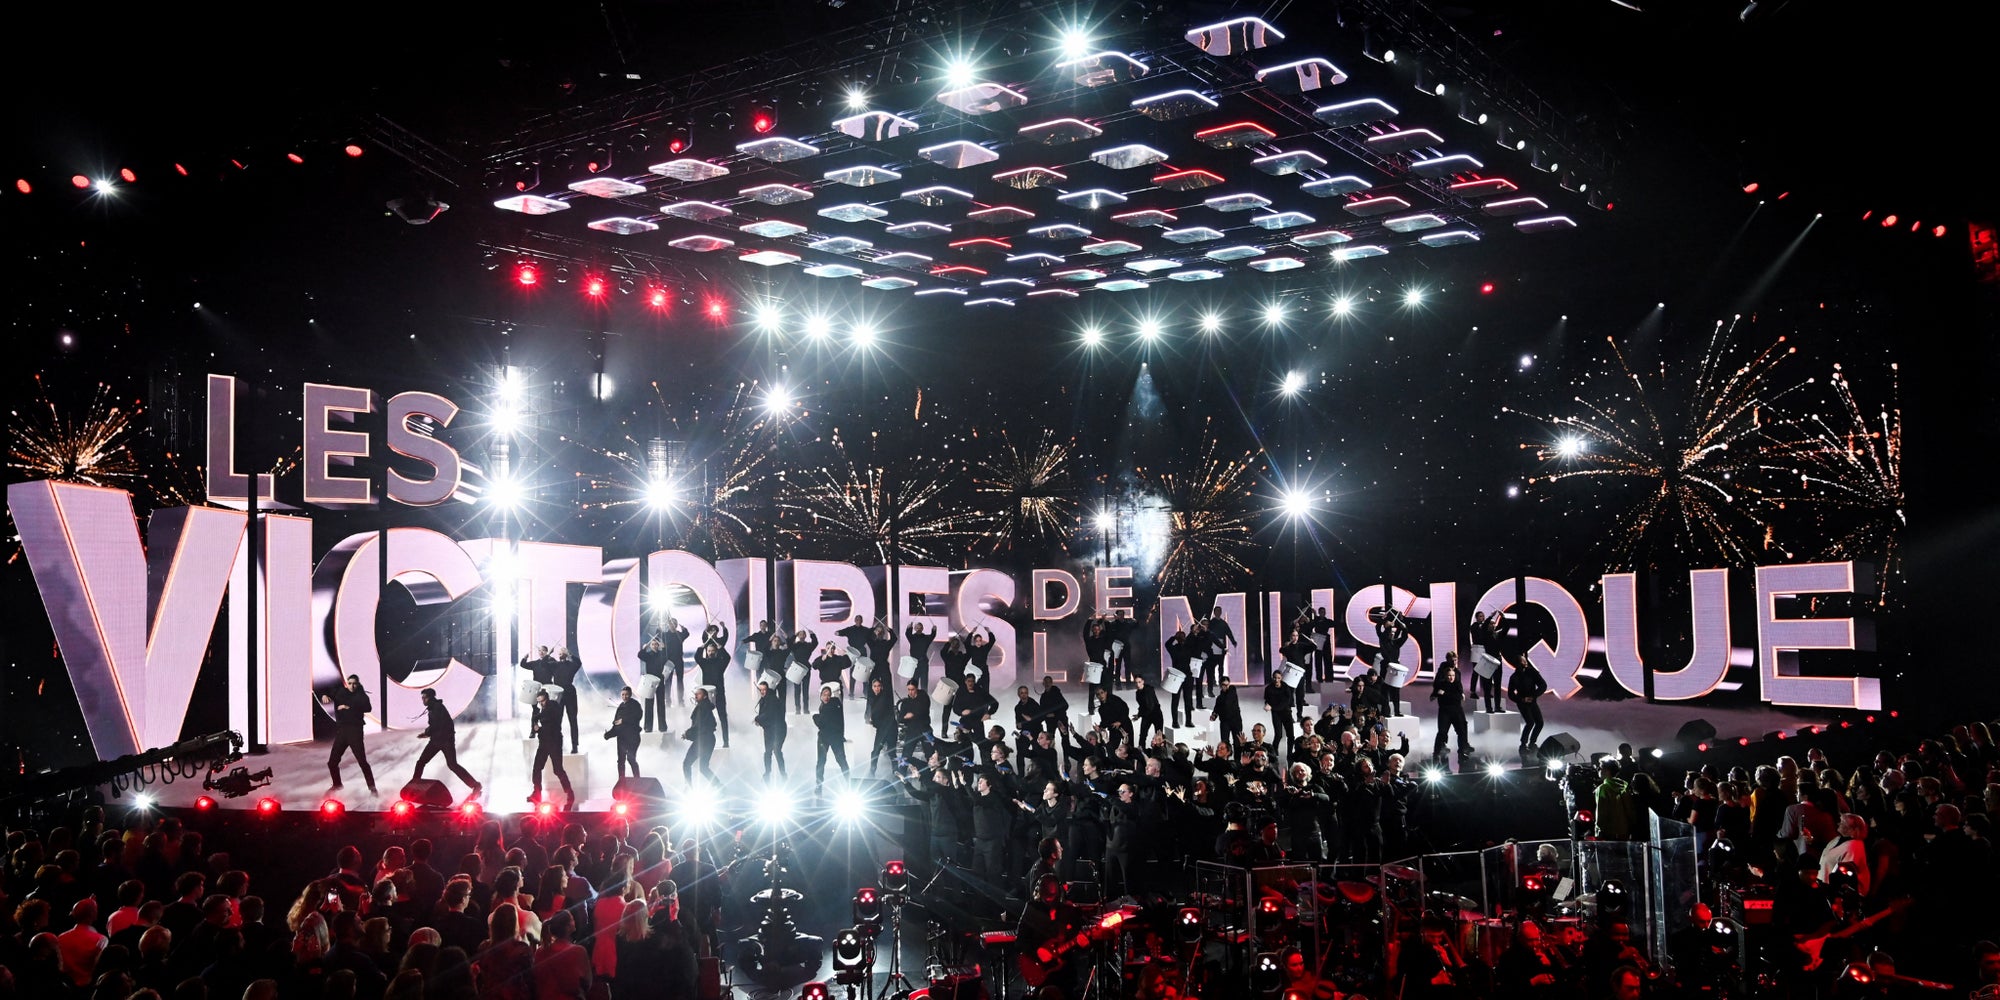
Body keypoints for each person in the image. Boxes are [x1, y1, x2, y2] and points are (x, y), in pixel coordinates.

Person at [413, 687, 483, 797]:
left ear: (430, 697)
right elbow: (437, 725)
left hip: (442, 741)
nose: (422, 700)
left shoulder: (436, 708)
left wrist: (426, 733)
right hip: (440, 740)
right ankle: (475, 785)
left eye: (424, 697)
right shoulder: (434, 707)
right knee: (450, 765)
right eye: (422, 698)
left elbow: (436, 725)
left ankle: (414, 786)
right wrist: (428, 733)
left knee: (423, 762)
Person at [323, 674, 378, 794]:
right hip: (342, 731)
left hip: (355, 731)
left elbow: (368, 708)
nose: (352, 686)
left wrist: (349, 707)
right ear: (346, 683)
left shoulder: (361, 695)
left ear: (358, 684)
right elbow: (329, 693)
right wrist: (325, 695)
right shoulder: (341, 691)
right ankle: (337, 784)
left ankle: (372, 788)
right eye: (350, 683)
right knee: (332, 762)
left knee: (362, 761)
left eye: (354, 683)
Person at [530, 690, 576, 809]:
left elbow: (548, 721)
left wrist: (537, 725)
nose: (541, 704)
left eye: (542, 701)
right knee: (537, 768)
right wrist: (537, 727)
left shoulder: (553, 707)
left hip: (554, 742)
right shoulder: (544, 709)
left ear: (547, 699)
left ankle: (569, 792)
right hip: (544, 742)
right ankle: (537, 793)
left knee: (558, 769)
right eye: (539, 702)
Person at [1430, 655, 1473, 765]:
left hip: (1457, 711)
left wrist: (1445, 694)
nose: (1451, 677)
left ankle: (1462, 752)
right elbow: (1438, 693)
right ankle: (1436, 753)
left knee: (1462, 731)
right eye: (1449, 676)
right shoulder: (1441, 683)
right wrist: (1439, 694)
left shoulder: (1457, 684)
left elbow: (1458, 696)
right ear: (1445, 676)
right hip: (1445, 711)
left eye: (1452, 675)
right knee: (1442, 733)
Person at [693, 636, 732, 748]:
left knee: (723, 718)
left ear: (715, 652)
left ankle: (726, 741)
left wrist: (721, 648)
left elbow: (727, 658)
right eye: (709, 651)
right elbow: (697, 657)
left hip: (719, 694)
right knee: (704, 719)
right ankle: (703, 741)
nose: (710, 653)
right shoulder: (704, 663)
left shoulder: (720, 663)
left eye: (712, 651)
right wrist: (702, 647)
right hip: (707, 696)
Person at [1507, 654, 1548, 752]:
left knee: (1539, 722)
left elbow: (1543, 685)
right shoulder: (1514, 677)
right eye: (1523, 660)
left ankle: (1532, 742)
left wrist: (1534, 696)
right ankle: (1523, 744)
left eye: (1525, 660)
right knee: (1530, 722)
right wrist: (1521, 699)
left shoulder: (1532, 672)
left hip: (1532, 701)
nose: (1525, 662)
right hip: (1522, 702)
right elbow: (1510, 694)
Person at [815, 686, 850, 791]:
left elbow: (822, 723)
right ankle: (819, 785)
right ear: (821, 696)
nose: (826, 697)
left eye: (828, 695)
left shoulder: (830, 706)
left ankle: (848, 782)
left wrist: (815, 717)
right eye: (824, 695)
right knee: (823, 761)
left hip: (832, 737)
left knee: (839, 760)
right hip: (828, 737)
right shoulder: (829, 705)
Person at [550, 647, 582, 754]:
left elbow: (579, 662)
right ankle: (557, 744)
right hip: (558, 694)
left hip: (570, 693)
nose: (560, 654)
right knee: (557, 721)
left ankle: (575, 745)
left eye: (562, 652)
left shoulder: (571, 665)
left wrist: (570, 654)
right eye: (559, 653)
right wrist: (549, 653)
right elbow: (543, 664)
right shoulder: (554, 665)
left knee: (573, 720)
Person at [684, 686, 718, 784]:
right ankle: (719, 786)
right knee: (703, 767)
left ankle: (689, 789)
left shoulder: (702, 708)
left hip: (703, 740)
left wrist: (687, 734)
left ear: (705, 696)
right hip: (709, 739)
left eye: (698, 694)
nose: (695, 695)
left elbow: (698, 725)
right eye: (695, 694)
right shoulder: (706, 707)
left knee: (687, 764)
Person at [754, 680, 787, 779]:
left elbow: (769, 714)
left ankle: (782, 774)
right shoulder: (764, 700)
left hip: (778, 730)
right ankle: (768, 773)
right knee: (769, 751)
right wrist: (759, 720)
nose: (762, 692)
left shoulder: (772, 700)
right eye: (761, 690)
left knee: (776, 750)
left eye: (764, 689)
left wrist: (758, 719)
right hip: (769, 730)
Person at [609, 686, 643, 778]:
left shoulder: (635, 705)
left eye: (626, 694)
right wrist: (609, 734)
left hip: (633, 737)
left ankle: (637, 779)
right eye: (623, 695)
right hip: (622, 738)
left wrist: (623, 720)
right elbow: (616, 723)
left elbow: (637, 717)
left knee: (631, 759)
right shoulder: (620, 706)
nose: (625, 696)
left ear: (630, 694)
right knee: (620, 761)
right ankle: (621, 780)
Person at [865, 676, 897, 776]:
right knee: (878, 751)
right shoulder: (872, 699)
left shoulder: (885, 696)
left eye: (878, 686)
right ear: (872, 687)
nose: (876, 688)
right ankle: (873, 771)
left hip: (889, 728)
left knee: (888, 751)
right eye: (874, 686)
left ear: (882, 687)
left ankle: (894, 771)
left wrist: (872, 720)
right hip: (883, 728)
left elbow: (878, 713)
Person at [638, 635, 669, 734]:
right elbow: (640, 655)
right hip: (650, 682)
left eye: (656, 644)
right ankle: (648, 727)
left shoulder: (661, 654)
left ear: (658, 645)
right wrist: (644, 648)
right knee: (649, 704)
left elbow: (666, 658)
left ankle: (662, 727)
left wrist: (663, 648)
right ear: (650, 645)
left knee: (661, 704)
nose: (655, 646)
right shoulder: (648, 655)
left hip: (660, 681)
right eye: (653, 644)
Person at [658, 618, 691, 707]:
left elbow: (687, 634)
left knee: (680, 681)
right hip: (668, 661)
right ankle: (668, 701)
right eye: (671, 623)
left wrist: (683, 628)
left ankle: (681, 701)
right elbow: (658, 633)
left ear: (676, 625)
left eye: (674, 624)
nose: (672, 625)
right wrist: (660, 625)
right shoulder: (665, 635)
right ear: (668, 625)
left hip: (679, 660)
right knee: (668, 681)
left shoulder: (679, 634)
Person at [1211, 677, 1244, 749]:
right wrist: (1214, 715)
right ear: (1220, 685)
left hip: (1236, 721)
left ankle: (1237, 760)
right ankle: (1225, 759)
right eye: (1224, 685)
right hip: (1225, 722)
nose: (1226, 686)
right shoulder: (1219, 698)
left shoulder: (1232, 690)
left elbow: (1227, 702)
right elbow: (1217, 708)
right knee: (1225, 743)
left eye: (1227, 684)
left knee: (1237, 742)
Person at [1133, 675, 1164, 748]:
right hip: (1147, 715)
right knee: (1142, 735)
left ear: (1143, 682)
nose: (1138, 684)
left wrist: (1140, 714)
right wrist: (1138, 715)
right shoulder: (1138, 693)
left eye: (1139, 682)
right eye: (1136, 682)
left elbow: (1150, 706)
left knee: (1158, 736)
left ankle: (1159, 754)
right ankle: (1141, 753)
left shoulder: (1149, 690)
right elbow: (1142, 706)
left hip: (1156, 715)